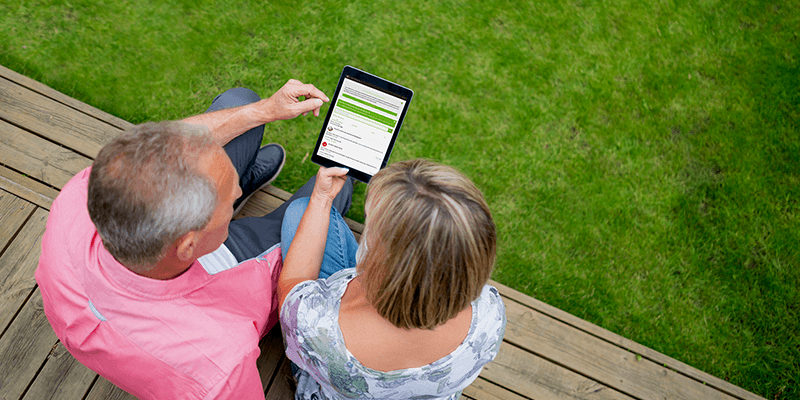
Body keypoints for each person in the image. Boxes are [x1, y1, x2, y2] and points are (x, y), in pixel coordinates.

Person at [35, 80, 354, 400]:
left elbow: (161, 145)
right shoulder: (218, 364)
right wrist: (321, 202)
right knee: (324, 198)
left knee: (239, 100)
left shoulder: (78, 199)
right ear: (189, 244)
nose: (238, 193)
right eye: (230, 200)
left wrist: (264, 111)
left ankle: (229, 178)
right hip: (231, 281)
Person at [277, 159, 506, 400]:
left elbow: (292, 285)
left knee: (300, 210)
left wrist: (321, 199)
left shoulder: (319, 327)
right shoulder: (490, 313)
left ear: (385, 263)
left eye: (371, 223)